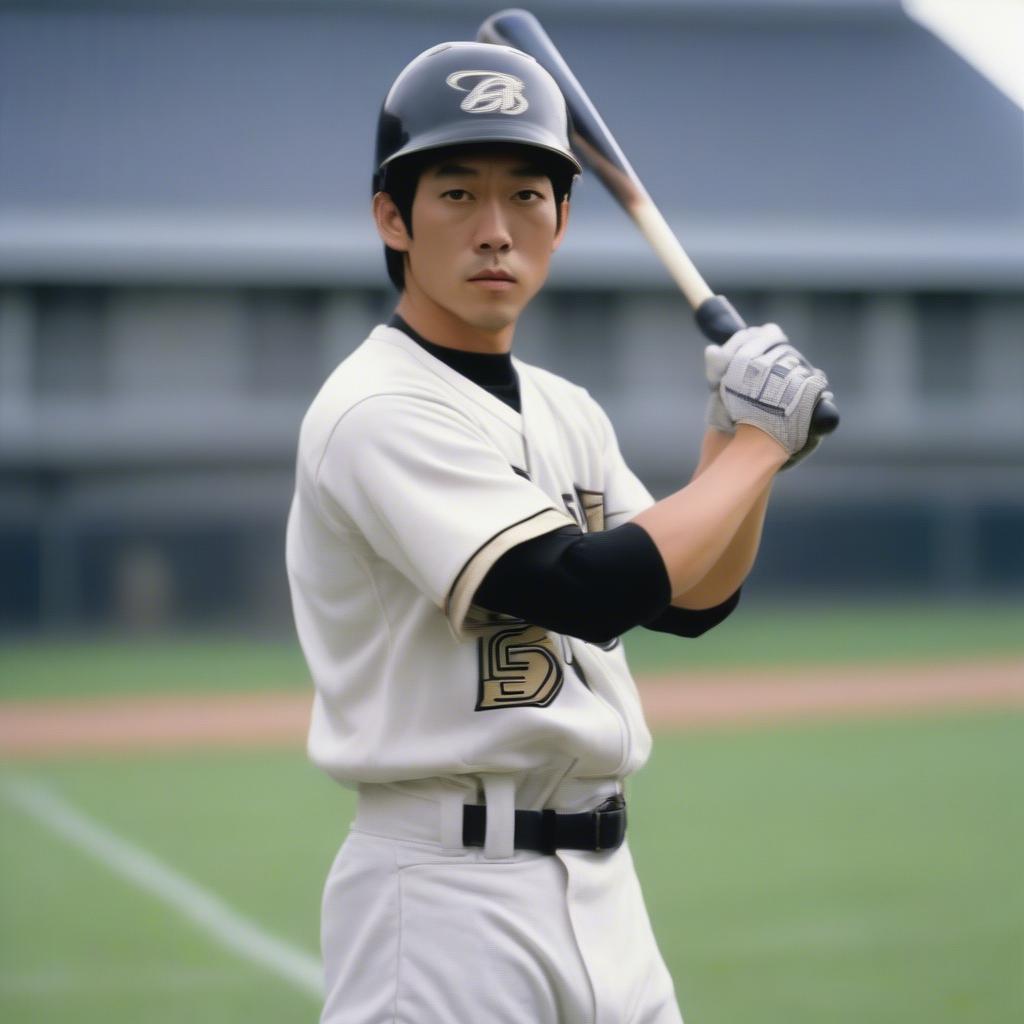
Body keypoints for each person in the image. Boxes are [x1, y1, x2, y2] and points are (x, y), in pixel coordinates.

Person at [285, 40, 832, 1024]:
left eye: (526, 195)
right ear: (390, 217)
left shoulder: (563, 405)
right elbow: (582, 588)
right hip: (443, 897)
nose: (495, 230)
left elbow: (690, 599)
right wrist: (757, 447)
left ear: (563, 218)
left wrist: (731, 439)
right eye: (456, 193)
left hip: (605, 891)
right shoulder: (376, 406)